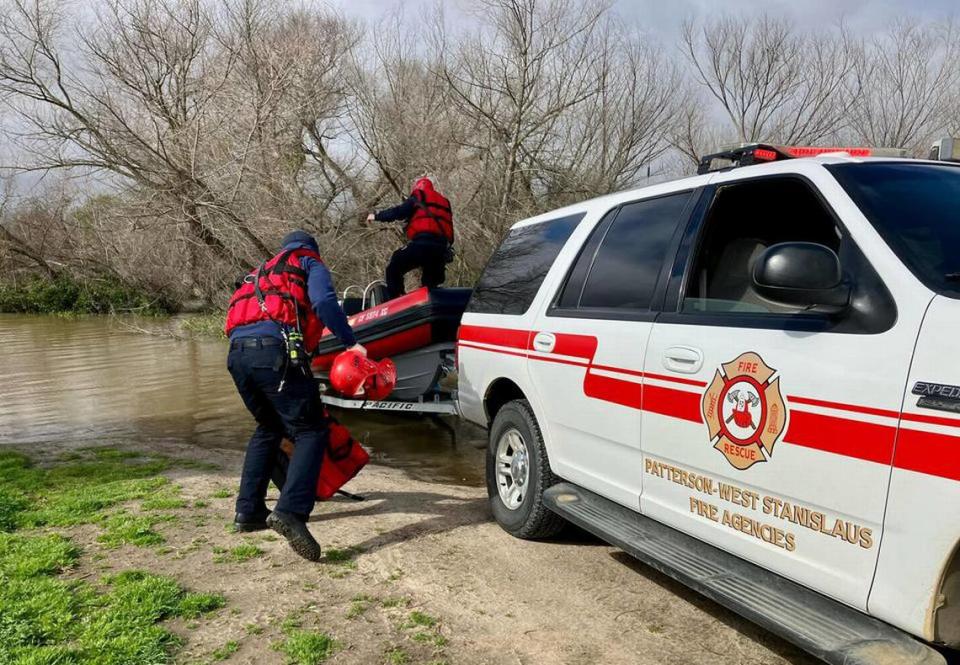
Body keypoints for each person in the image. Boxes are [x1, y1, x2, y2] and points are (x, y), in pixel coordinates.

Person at [224, 230, 365, 561]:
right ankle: (290, 512)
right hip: (272, 354)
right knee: (311, 430)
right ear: (311, 248)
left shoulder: (260, 272)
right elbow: (324, 302)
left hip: (237, 357)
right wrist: (350, 342)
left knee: (269, 427)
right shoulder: (309, 262)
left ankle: (248, 511)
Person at [366, 176, 454, 299]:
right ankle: (432, 300)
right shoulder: (445, 202)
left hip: (422, 244)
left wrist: (377, 216)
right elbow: (449, 228)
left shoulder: (418, 196)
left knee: (394, 265)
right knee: (430, 284)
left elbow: (398, 212)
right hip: (441, 249)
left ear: (417, 188)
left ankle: (396, 297)